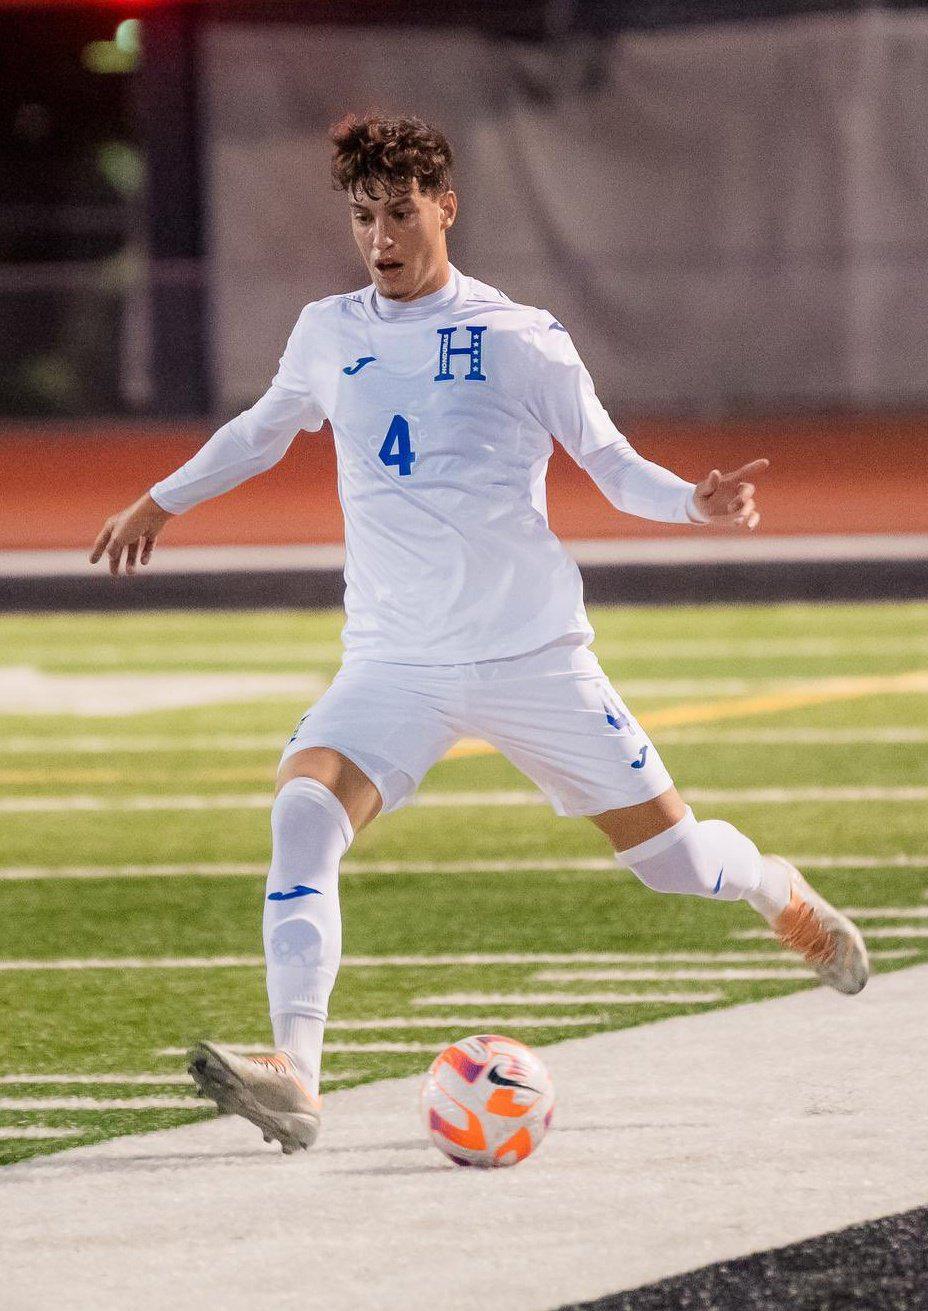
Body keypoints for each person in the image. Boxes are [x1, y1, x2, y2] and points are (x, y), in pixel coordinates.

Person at [90, 113, 868, 1154]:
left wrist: (695, 503)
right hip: (394, 663)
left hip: (532, 658)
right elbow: (262, 428)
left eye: (400, 213)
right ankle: (297, 1073)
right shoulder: (330, 330)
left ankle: (778, 891)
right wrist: (161, 499)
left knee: (674, 860)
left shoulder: (520, 337)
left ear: (445, 208)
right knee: (302, 816)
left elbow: (612, 463)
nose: (380, 237)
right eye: (362, 216)